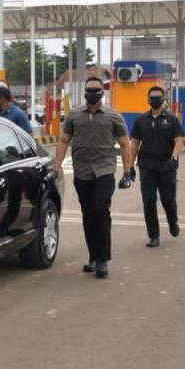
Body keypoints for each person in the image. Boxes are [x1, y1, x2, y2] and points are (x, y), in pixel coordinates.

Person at [52, 76, 134, 279]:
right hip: (81, 172)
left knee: (100, 211)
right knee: (88, 215)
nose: (92, 93)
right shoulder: (74, 115)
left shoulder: (114, 116)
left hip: (104, 171)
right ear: (85, 92)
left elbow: (125, 145)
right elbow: (63, 141)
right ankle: (93, 256)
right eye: (89, 90)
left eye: (96, 90)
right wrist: (56, 166)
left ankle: (102, 259)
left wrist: (127, 172)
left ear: (101, 93)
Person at [130, 86, 185, 248]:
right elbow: (134, 143)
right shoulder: (140, 121)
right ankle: (153, 235)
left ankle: (173, 222)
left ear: (163, 99)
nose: (155, 100)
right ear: (148, 100)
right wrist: (130, 166)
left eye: (157, 97)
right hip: (146, 166)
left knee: (168, 200)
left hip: (167, 166)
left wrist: (174, 157)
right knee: (148, 201)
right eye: (152, 97)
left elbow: (178, 141)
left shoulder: (172, 119)